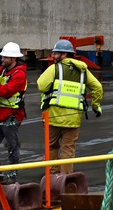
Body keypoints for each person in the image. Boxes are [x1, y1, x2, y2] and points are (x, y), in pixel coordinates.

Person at [37, 39, 103, 173]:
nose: (53, 56)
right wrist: (95, 106)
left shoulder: (55, 68)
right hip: (73, 120)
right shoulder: (83, 71)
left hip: (53, 118)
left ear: (64, 55)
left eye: (56, 54)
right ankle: (66, 179)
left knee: (52, 147)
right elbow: (98, 88)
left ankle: (54, 179)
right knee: (68, 150)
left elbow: (41, 86)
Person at [0, 41, 28, 183]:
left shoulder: (20, 74)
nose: (2, 59)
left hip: (12, 116)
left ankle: (12, 176)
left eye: (5, 57)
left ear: (13, 59)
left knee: (12, 146)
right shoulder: (0, 70)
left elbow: (7, 91)